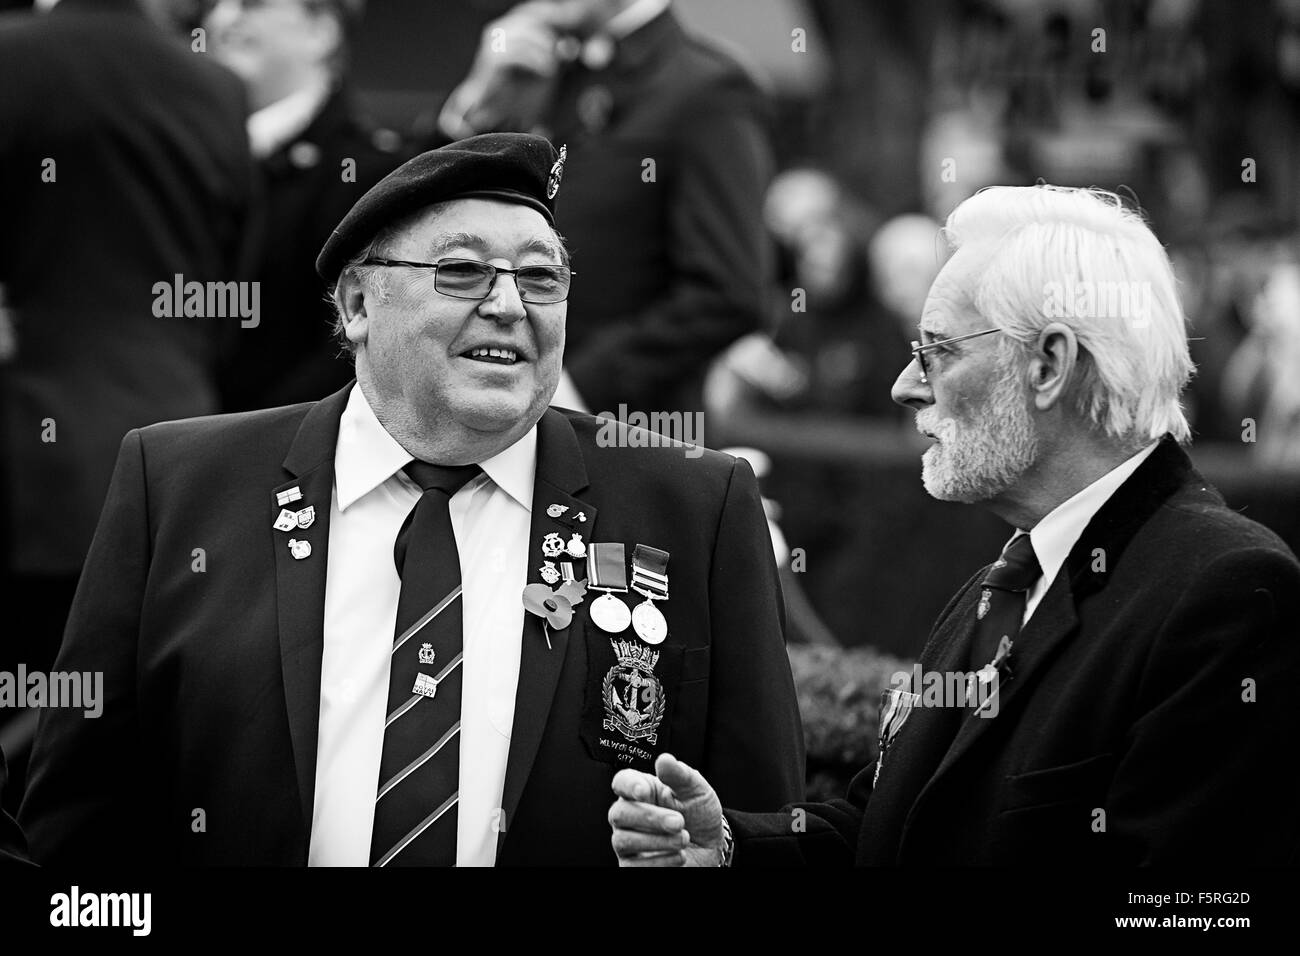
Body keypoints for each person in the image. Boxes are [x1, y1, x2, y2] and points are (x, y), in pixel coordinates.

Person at [20, 133, 804, 866]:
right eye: (462, 271)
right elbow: (78, 825)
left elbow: (762, 825)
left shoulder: (696, 504)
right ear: (359, 305)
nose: (509, 305)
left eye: (540, 277)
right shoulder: (179, 482)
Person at [608, 185, 1300, 866]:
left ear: (1049, 365)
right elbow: (882, 829)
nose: (904, 384)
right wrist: (725, 846)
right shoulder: (1002, 583)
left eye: (937, 350)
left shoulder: (1227, 594)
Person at [0, 0, 252, 797]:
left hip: (30, 455)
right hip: (180, 447)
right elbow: (236, 276)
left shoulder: (14, 56)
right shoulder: (215, 86)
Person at [439, 0, 774, 419]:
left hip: (624, 436)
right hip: (498, 412)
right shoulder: (542, 71)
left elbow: (729, 293)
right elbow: (416, 229)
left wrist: (573, 385)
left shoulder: (707, 87)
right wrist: (480, 105)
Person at [205, 0, 409, 412]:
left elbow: (350, 351)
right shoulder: (184, 153)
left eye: (251, 3)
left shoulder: (370, 173)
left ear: (321, 31)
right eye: (212, 4)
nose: (224, 18)